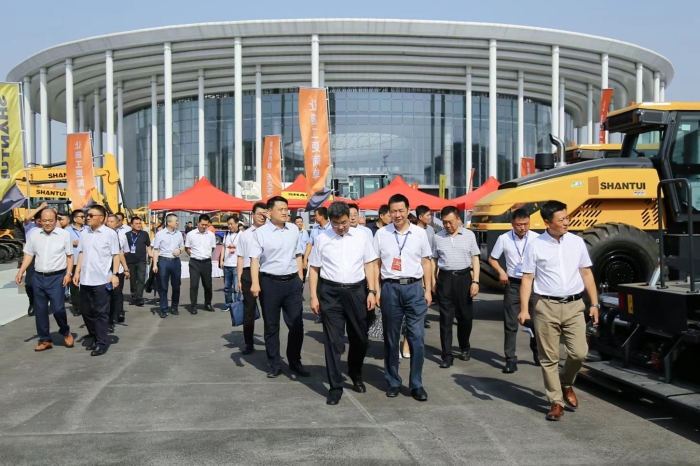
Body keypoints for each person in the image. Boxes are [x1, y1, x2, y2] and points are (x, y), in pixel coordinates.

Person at [518, 200, 599, 421]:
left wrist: (594, 304)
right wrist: (524, 310)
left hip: (574, 306)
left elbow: (586, 274)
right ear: (547, 222)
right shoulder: (535, 245)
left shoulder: (577, 242)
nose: (566, 222)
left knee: (579, 353)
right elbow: (527, 278)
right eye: (561, 219)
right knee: (549, 357)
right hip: (546, 306)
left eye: (567, 218)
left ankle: (565, 382)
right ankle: (556, 402)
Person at [309, 201, 378, 405]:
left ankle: (355, 373)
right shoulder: (322, 239)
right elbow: (314, 268)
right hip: (330, 293)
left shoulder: (362, 237)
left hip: (357, 292)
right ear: (330, 221)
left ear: (350, 218)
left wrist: (372, 291)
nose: (341, 227)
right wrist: (313, 296)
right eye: (336, 223)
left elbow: (370, 264)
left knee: (360, 339)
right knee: (333, 341)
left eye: (344, 222)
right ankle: (335, 386)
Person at [374, 194, 432, 401]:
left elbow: (426, 262)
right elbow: (376, 264)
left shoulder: (419, 233)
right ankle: (393, 381)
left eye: (400, 211)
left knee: (417, 338)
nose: (397, 215)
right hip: (390, 288)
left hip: (414, 288)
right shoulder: (381, 234)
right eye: (393, 211)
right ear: (388, 213)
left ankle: (416, 383)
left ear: (408, 210)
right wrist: (376, 290)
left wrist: (428, 289)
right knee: (391, 338)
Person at [249, 196, 308, 378]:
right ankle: (274, 364)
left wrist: (300, 278)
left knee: (296, 324)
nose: (284, 212)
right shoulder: (260, 233)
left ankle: (295, 361)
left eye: (286, 209)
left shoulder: (293, 229)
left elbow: (298, 254)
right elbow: (254, 259)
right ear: (269, 212)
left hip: (292, 283)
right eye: (280, 209)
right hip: (270, 283)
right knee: (272, 326)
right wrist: (255, 283)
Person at [488, 208, 540, 373]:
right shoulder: (504, 239)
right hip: (513, 284)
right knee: (510, 324)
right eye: (519, 225)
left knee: (537, 322)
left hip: (533, 285)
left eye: (526, 224)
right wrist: (501, 272)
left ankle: (538, 351)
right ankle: (510, 359)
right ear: (512, 224)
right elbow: (492, 259)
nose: (523, 228)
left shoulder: (537, 238)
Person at [15, 208, 74, 352]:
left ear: (55, 220)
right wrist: (21, 271)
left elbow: (69, 256)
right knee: (40, 310)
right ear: (40, 221)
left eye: (50, 220)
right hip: (39, 277)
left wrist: (69, 273)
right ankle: (45, 339)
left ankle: (65, 331)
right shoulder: (34, 235)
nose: (47, 223)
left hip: (57, 277)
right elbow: (29, 255)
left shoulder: (64, 235)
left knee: (58, 308)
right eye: (44, 220)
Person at [431, 205, 481, 368]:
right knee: (445, 319)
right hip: (445, 279)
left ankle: (464, 346)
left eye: (450, 222)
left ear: (458, 219)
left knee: (465, 318)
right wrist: (433, 281)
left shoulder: (469, 235)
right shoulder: (438, 237)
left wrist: (475, 281)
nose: (448, 225)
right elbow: (434, 260)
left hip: (464, 278)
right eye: (444, 222)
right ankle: (447, 355)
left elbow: (475, 258)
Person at [73, 205, 121, 356]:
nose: (87, 217)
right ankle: (94, 336)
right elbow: (81, 253)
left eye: (91, 215)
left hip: (102, 280)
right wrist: (77, 272)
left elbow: (116, 255)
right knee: (86, 311)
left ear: (101, 218)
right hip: (85, 279)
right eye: (86, 215)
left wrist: (114, 274)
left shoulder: (110, 234)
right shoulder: (85, 233)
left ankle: (101, 342)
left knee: (101, 313)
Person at [236, 202, 268, 354]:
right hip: (248, 274)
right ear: (253, 215)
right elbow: (240, 258)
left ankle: (270, 342)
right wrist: (239, 279)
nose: (262, 217)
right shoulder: (245, 235)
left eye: (265, 214)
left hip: (266, 273)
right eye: (259, 214)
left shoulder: (271, 232)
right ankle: (248, 343)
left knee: (269, 310)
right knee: (249, 311)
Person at [151, 213, 185, 318]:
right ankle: (164, 309)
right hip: (163, 261)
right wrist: (155, 265)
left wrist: (179, 250)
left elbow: (182, 246)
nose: (177, 223)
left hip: (175, 261)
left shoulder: (179, 234)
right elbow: (156, 250)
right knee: (163, 286)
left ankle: (174, 307)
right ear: (169, 222)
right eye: (176, 221)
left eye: (177, 221)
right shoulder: (160, 234)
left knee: (176, 286)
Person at [185, 214, 217, 313]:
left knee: (208, 285)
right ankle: (193, 305)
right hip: (194, 262)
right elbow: (187, 248)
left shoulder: (211, 235)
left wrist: (206, 255)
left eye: (206, 225)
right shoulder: (191, 234)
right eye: (202, 224)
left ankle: (208, 303)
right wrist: (193, 255)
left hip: (206, 262)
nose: (204, 226)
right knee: (194, 285)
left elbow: (212, 248)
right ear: (198, 223)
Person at [304, 207, 331, 323]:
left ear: (322, 216)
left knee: (328, 289)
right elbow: (310, 244)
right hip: (317, 264)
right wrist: (305, 258)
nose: (314, 217)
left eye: (316, 215)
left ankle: (329, 313)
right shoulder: (315, 230)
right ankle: (321, 313)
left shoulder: (332, 228)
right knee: (318, 288)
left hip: (329, 264)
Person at [106, 214, 131, 332]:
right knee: (106, 295)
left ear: (118, 223)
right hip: (104, 270)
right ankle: (107, 319)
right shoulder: (102, 235)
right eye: (108, 221)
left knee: (116, 293)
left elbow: (122, 253)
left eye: (112, 221)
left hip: (117, 270)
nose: (109, 223)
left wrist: (125, 269)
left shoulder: (122, 236)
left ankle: (118, 314)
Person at [125, 216, 152, 307]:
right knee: (133, 280)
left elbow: (148, 246)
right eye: (136, 223)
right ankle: (134, 297)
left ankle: (139, 298)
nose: (138, 225)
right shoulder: (127, 235)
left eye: (140, 223)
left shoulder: (144, 234)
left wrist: (149, 256)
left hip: (141, 260)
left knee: (141, 279)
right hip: (130, 261)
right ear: (131, 225)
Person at [220, 215, 241, 308]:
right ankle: (228, 304)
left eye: (231, 224)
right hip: (227, 264)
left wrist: (235, 246)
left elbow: (245, 248)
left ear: (237, 224)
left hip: (237, 264)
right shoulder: (226, 234)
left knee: (237, 288)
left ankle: (237, 306)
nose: (230, 226)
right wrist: (221, 260)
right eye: (228, 224)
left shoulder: (242, 235)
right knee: (227, 287)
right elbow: (223, 247)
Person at [68, 209, 86, 316]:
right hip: (73, 261)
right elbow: (61, 244)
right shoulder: (67, 230)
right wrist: (72, 243)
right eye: (82, 217)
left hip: (86, 262)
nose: (84, 218)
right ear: (75, 219)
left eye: (84, 217)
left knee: (86, 285)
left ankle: (86, 306)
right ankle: (77, 307)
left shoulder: (88, 229)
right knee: (74, 286)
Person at [294, 216, 310, 283]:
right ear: (294, 223)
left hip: (304, 257)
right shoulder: (293, 233)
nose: (300, 223)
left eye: (301, 222)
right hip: (295, 257)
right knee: (296, 277)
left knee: (303, 276)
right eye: (298, 222)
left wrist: (305, 259)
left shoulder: (305, 232)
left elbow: (308, 245)